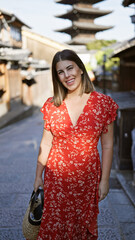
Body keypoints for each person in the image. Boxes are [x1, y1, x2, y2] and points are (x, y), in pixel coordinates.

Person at [34, 49, 119, 240]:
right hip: (56, 181)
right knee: (54, 228)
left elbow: (107, 146)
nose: (66, 75)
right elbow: (45, 144)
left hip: (87, 181)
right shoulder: (52, 105)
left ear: (80, 68)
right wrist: (38, 176)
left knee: (82, 229)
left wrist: (104, 180)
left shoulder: (103, 104)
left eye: (70, 68)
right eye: (60, 72)